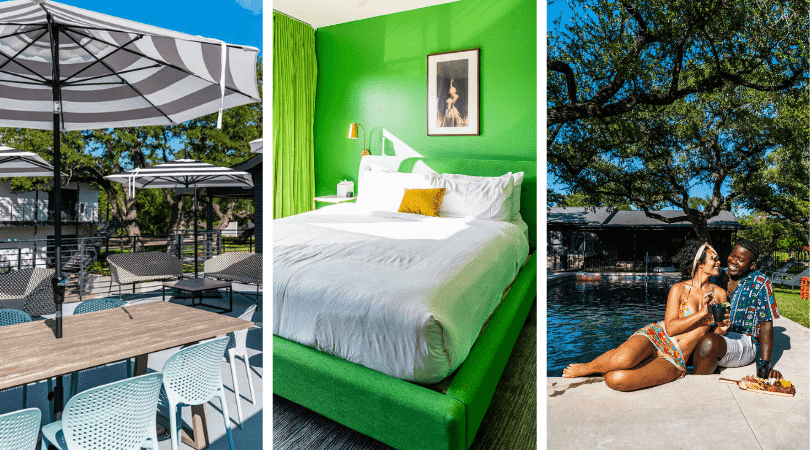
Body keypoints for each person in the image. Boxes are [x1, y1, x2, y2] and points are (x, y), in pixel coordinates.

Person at [562, 242, 731, 391]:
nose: (718, 262)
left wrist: (722, 329)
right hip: (656, 336)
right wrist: (702, 313)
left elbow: (713, 336)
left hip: (675, 356)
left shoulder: (720, 294)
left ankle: (613, 364)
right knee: (623, 359)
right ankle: (588, 367)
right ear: (700, 263)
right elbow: (671, 328)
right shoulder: (678, 289)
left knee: (615, 379)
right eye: (713, 258)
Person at [692, 240, 782, 378]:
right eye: (732, 255)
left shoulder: (760, 282)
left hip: (744, 340)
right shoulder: (718, 276)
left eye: (740, 260)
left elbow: (766, 323)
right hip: (716, 332)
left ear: (752, 265)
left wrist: (764, 364)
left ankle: (697, 387)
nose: (733, 261)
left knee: (708, 343)